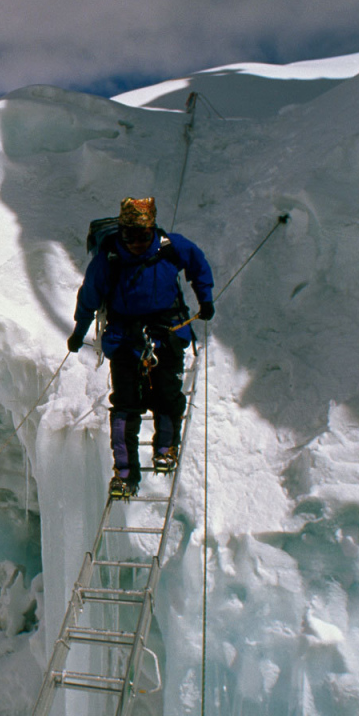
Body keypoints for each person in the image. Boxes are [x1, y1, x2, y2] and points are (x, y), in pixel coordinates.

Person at [67, 197, 214, 500]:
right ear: (121, 232)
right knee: (125, 405)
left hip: (165, 334)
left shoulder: (172, 247)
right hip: (124, 339)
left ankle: (164, 449)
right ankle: (124, 473)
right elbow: (89, 299)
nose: (136, 243)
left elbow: (198, 265)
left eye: (143, 236)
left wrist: (205, 299)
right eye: (130, 236)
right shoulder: (108, 259)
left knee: (166, 395)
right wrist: (79, 332)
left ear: (152, 231)